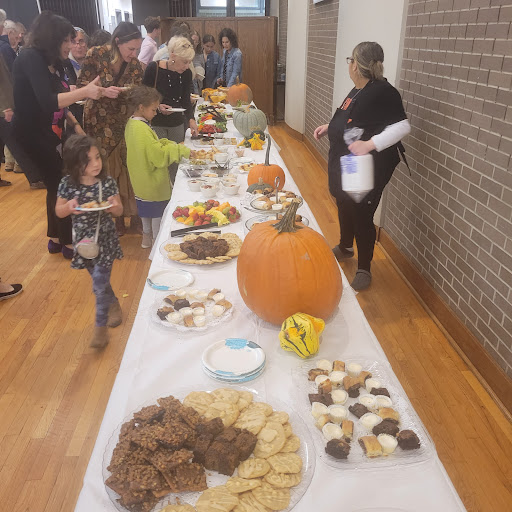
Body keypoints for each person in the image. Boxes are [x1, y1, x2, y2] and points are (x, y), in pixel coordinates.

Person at [12, 11, 114, 258]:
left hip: (49, 131)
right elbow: (48, 101)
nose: (71, 45)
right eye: (67, 40)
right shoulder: (30, 57)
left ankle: (56, 239)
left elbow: (64, 95)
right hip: (29, 132)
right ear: (52, 38)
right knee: (63, 184)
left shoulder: (56, 60)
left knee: (55, 184)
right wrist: (85, 93)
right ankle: (68, 243)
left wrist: (95, 93)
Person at [314, 41, 411, 291]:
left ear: (356, 65)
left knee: (361, 212)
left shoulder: (384, 92)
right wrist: (330, 127)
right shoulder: (359, 89)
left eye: (351, 60)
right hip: (348, 161)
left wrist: (370, 145)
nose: (349, 65)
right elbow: (352, 120)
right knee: (344, 202)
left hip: (369, 165)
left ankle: (364, 267)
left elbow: (402, 127)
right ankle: (346, 246)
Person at [55, 135, 123, 349]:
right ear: (75, 163)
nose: (96, 163)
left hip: (106, 241)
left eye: (97, 157)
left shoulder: (107, 182)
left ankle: (100, 330)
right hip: (83, 245)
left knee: (99, 285)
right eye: (88, 160)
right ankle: (114, 304)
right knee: (99, 281)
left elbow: (119, 210)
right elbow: (58, 211)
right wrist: (68, 207)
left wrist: (114, 207)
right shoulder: (67, 184)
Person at [78, 22, 144, 237]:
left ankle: (135, 215)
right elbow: (82, 87)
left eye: (137, 49)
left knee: (129, 167)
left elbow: (138, 91)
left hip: (124, 120)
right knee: (107, 170)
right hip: (99, 121)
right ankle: (115, 218)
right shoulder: (95, 55)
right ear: (117, 42)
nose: (134, 54)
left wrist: (128, 91)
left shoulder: (135, 65)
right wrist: (103, 91)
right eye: (131, 49)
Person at [125, 86, 191, 247]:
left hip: (140, 179)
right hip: (152, 181)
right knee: (157, 216)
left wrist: (167, 143)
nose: (156, 113)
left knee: (145, 212)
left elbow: (150, 147)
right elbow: (158, 156)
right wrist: (179, 150)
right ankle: (157, 244)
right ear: (141, 107)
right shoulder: (142, 129)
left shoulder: (132, 123)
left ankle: (146, 239)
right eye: (153, 110)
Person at [142, 36, 198, 150]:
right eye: (184, 62)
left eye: (189, 62)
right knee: (158, 156)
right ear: (173, 56)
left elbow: (185, 100)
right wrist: (158, 106)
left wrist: (191, 119)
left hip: (177, 124)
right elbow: (143, 95)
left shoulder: (186, 74)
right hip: (156, 123)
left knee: (176, 157)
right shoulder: (154, 68)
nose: (187, 66)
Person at [0, 55, 45, 188]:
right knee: (17, 141)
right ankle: (36, 179)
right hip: (4, 109)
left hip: (5, 107)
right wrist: (5, 107)